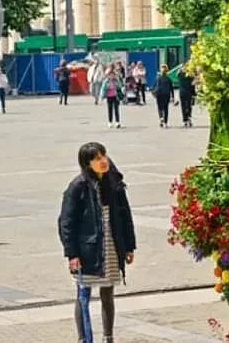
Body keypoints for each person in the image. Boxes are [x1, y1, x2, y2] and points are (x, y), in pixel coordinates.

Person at [58, 142, 136, 343]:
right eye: (97, 158)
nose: (103, 161)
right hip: (88, 248)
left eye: (104, 156)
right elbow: (66, 222)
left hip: (111, 244)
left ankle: (108, 336)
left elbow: (125, 216)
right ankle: (83, 338)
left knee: (108, 292)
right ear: (87, 163)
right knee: (83, 293)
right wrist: (72, 254)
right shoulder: (78, 186)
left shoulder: (114, 183)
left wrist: (129, 246)